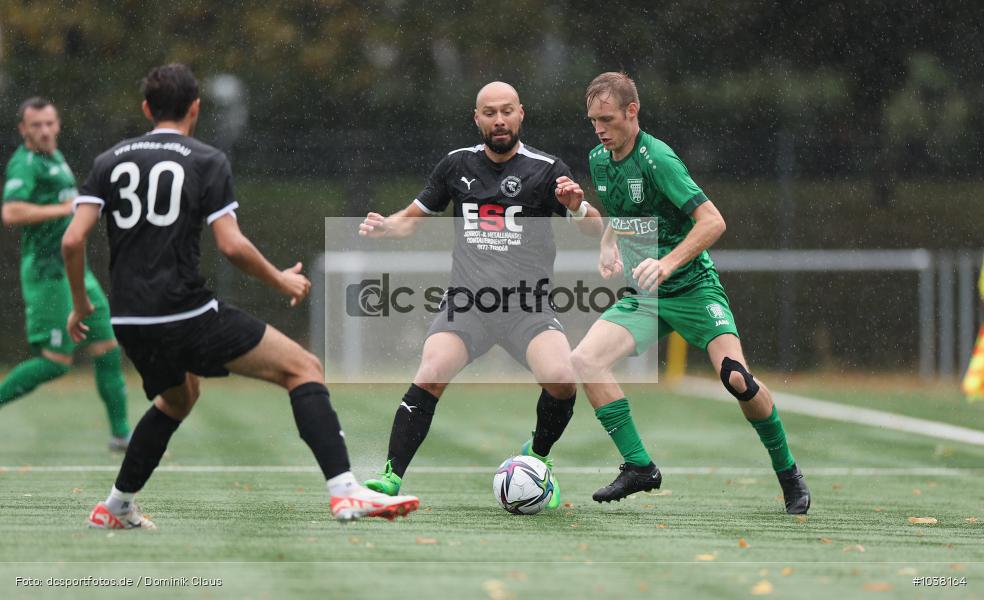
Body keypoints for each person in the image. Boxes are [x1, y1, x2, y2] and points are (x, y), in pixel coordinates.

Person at [62, 64, 418, 528]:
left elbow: (72, 241)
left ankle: (116, 506)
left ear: (147, 108)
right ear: (195, 108)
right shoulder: (206, 159)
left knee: (177, 398)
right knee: (303, 367)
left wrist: (81, 302)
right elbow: (230, 244)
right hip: (184, 312)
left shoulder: (110, 159)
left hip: (130, 319)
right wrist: (280, 279)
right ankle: (345, 490)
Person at [570, 72, 811, 514]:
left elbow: (713, 221)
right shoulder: (600, 160)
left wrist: (666, 263)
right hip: (645, 295)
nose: (599, 128)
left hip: (693, 288)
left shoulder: (658, 158)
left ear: (632, 111)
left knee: (737, 378)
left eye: (606, 118)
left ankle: (788, 473)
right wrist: (608, 243)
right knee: (584, 360)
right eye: (592, 120)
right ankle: (639, 466)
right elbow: (622, 215)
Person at [358, 81, 603, 507]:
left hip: (528, 306)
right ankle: (391, 476)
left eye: (507, 110)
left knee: (562, 380)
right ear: (477, 118)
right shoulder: (456, 165)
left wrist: (579, 205)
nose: (499, 120)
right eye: (489, 112)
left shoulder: (546, 169)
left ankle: (536, 458)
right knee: (431, 370)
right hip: (468, 304)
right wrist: (385, 226)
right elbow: (411, 219)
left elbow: (594, 227)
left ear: (521, 114)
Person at [1, 97, 130, 450]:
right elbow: (11, 212)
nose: (44, 130)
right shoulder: (25, 164)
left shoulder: (55, 158)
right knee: (56, 363)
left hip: (76, 270)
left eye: (49, 123)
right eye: (36, 125)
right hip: (48, 273)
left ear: (57, 124)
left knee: (106, 348)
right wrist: (62, 208)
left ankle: (121, 435)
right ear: (23, 130)